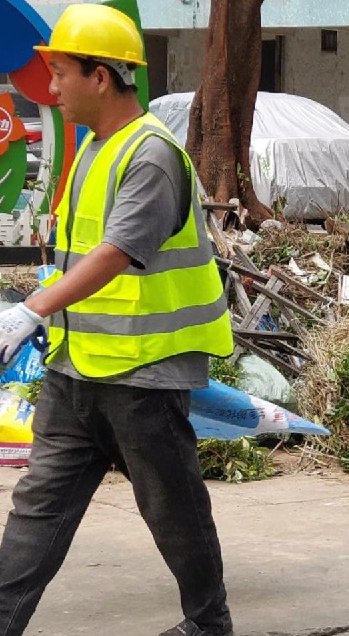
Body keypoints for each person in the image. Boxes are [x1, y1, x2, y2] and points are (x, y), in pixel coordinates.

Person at [0, 4, 235, 636]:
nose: (50, 89)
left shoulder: (151, 156)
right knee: (36, 512)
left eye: (60, 74)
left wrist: (29, 310)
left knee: (173, 511)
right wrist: (45, 314)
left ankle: (209, 625)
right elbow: (78, 257)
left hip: (145, 375)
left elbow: (116, 254)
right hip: (77, 369)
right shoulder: (96, 152)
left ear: (100, 77)